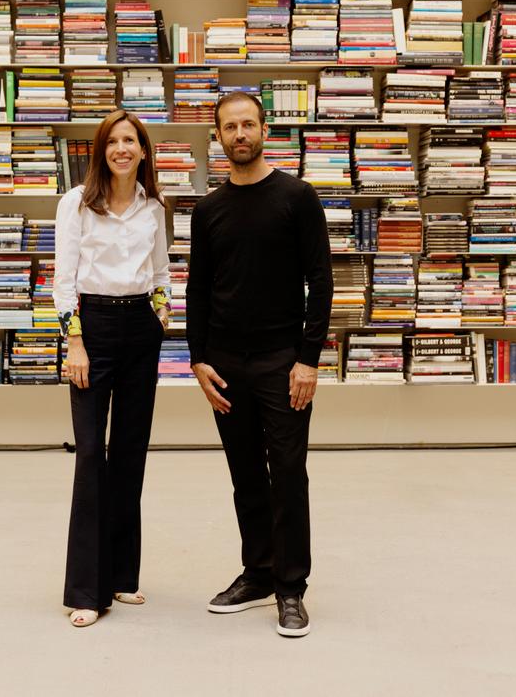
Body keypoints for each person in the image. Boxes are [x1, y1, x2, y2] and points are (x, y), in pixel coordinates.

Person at [186, 91, 333, 638]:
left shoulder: (297, 197)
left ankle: (291, 589)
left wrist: (308, 360)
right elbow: (198, 288)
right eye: (230, 127)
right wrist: (197, 359)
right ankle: (258, 574)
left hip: (281, 361)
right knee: (245, 475)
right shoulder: (209, 210)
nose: (240, 134)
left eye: (248, 124)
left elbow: (321, 281)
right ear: (219, 137)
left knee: (288, 475)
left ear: (265, 129)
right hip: (224, 363)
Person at [53, 109, 171, 628]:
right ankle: (85, 589)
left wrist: (162, 315)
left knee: (130, 453)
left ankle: (122, 576)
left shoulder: (154, 208)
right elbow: (63, 281)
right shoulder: (76, 204)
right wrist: (74, 343)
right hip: (92, 331)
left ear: (143, 151)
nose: (122, 148)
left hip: (141, 331)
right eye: (113, 141)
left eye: (131, 140)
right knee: (89, 458)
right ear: (101, 151)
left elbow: (163, 271)